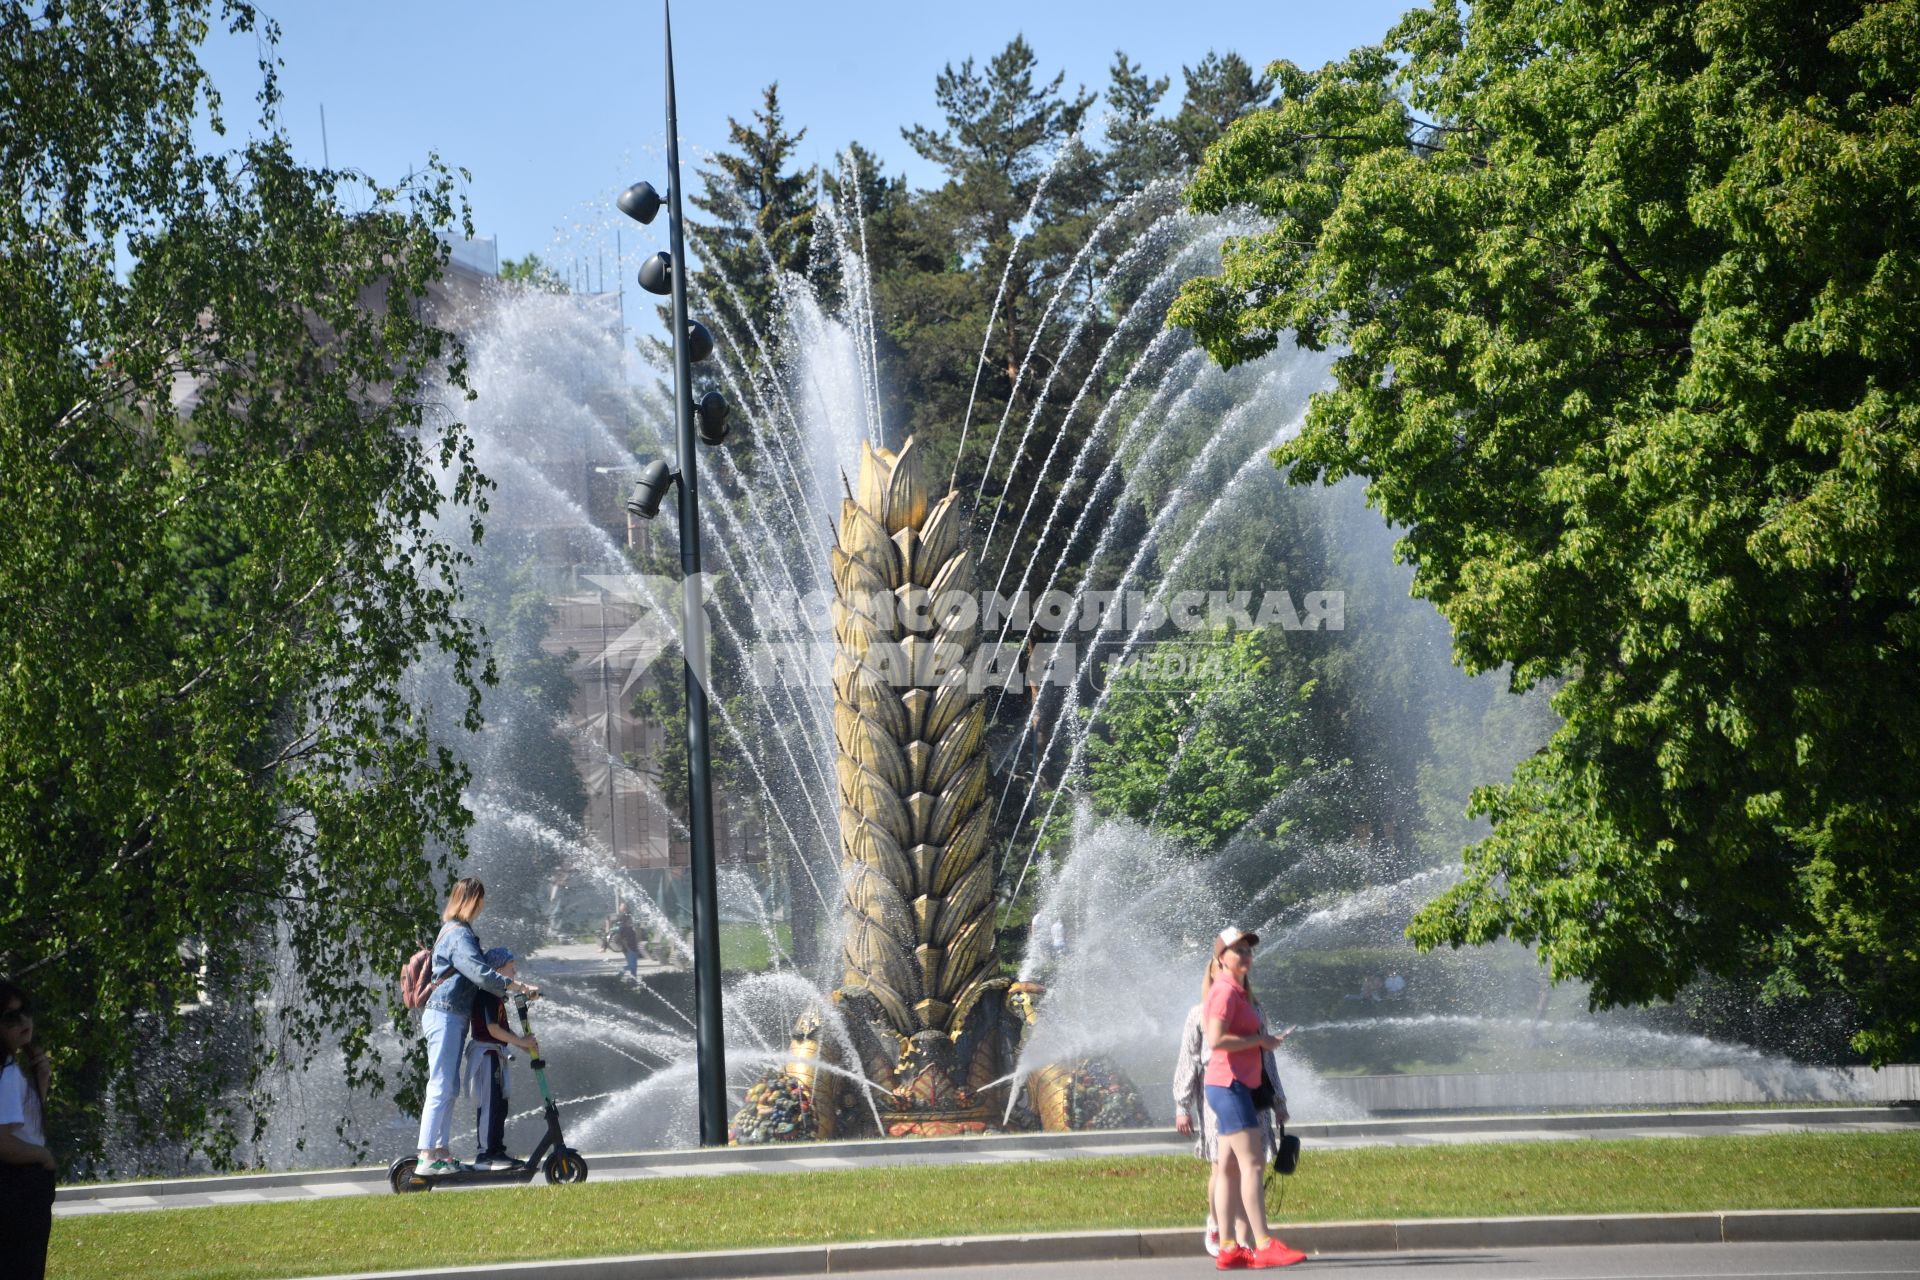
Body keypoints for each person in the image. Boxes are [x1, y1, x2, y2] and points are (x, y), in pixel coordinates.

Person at [416, 878, 538, 1177]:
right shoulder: (458, 934)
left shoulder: (459, 932)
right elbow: (480, 973)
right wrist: (516, 985)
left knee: (450, 1087)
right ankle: (427, 1155)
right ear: (471, 900)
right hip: (444, 1013)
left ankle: (441, 1154)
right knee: (441, 1085)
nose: (482, 906)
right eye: (480, 899)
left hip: (452, 1016)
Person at [1203, 927, 1307, 1270]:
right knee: (1253, 1164)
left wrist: (1262, 1040)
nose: (1245, 955)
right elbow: (1216, 1041)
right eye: (1237, 950)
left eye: (1248, 950)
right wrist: (1260, 1042)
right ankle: (1263, 1244)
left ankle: (1230, 1248)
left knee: (1231, 1168)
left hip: (1231, 1086)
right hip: (1228, 1085)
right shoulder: (1224, 992)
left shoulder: (1237, 992)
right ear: (1221, 958)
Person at [1174, 954, 1288, 1256]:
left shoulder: (1254, 1010)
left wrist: (1278, 1101)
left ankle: (1241, 1239)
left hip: (1253, 1090)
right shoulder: (1199, 1013)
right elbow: (1188, 1059)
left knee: (1242, 1165)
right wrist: (1182, 1104)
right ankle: (1221, 1227)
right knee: (1226, 1165)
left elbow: (1268, 1060)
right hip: (1222, 1091)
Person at [0, 979, 55, 1280]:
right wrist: (43, 1156)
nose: (24, 1021)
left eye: (26, 1012)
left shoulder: (11, 1066)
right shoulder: (6, 1071)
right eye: (10, 1017)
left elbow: (22, 1125)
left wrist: (39, 1086)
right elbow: (4, 1143)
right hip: (19, 1186)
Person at [465, 947, 539, 1171]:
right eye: (511, 967)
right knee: (489, 1104)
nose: (515, 972)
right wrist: (521, 1043)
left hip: (496, 1056)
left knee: (499, 1105)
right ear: (497, 970)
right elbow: (493, 1030)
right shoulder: (486, 994)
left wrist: (526, 1046)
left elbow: (506, 1031)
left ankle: (497, 1151)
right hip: (486, 1056)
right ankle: (485, 1154)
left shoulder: (498, 998)